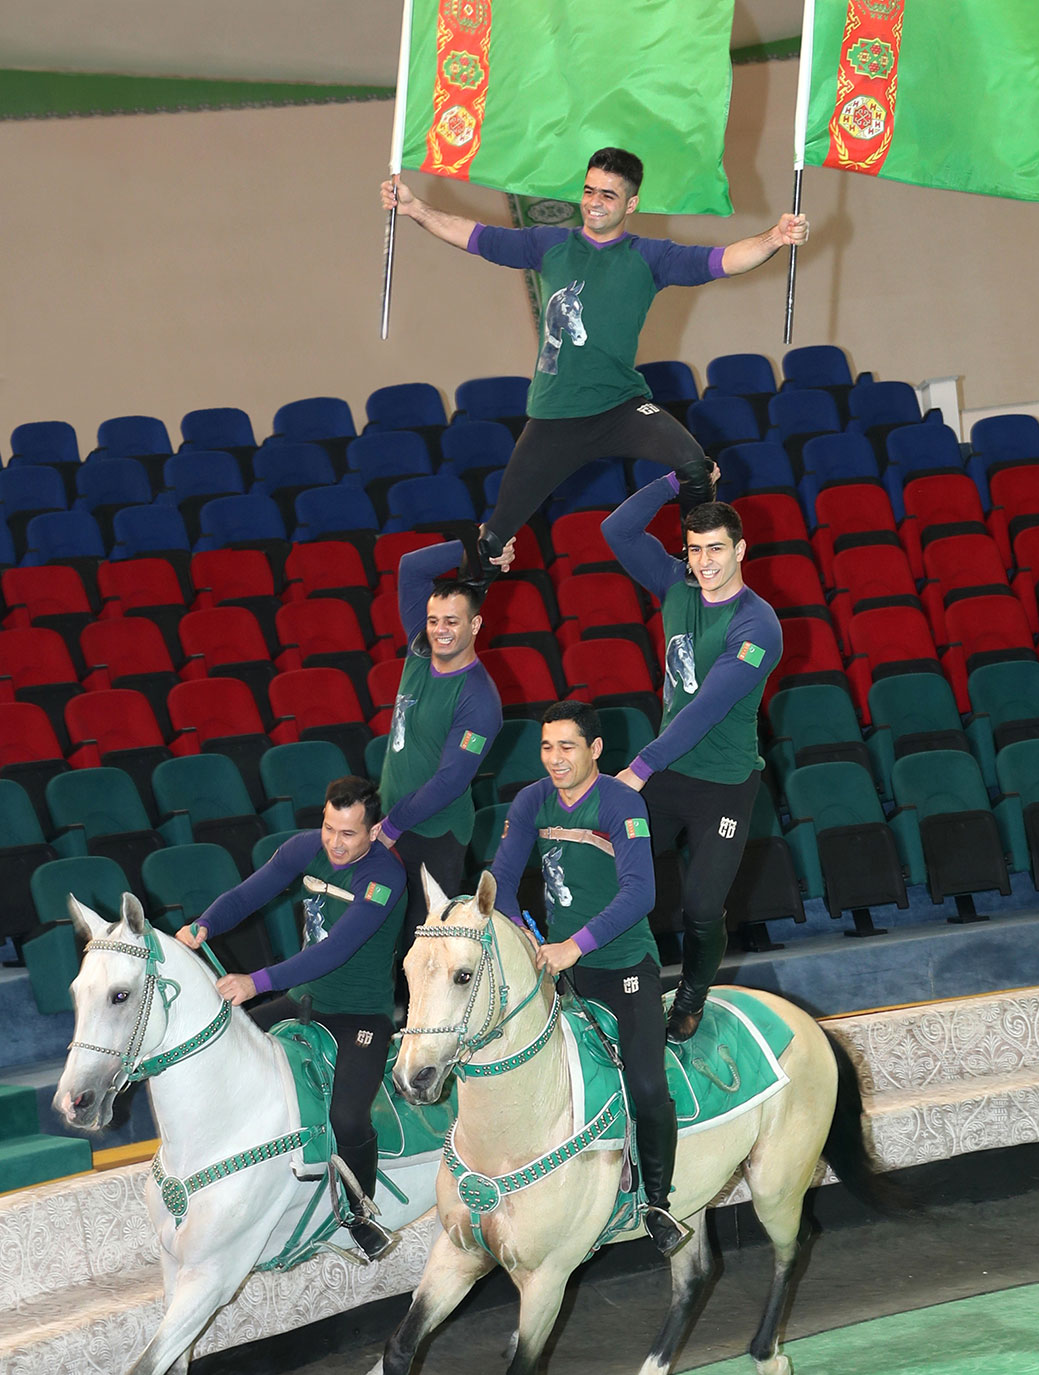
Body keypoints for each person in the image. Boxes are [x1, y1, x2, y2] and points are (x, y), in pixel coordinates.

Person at [381, 146, 809, 580]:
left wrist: (774, 237)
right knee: (491, 543)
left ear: (631, 204)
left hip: (621, 408)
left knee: (696, 467)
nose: (594, 202)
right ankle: (456, 621)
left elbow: (724, 261)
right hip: (554, 418)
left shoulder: (650, 257)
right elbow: (475, 236)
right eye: (589, 191)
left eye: (608, 194)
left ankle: (694, 568)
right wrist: (415, 209)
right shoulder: (548, 245)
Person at [176, 776, 407, 1260]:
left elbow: (336, 950)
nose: (335, 843)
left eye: (348, 834)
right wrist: (204, 924)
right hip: (305, 999)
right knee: (219, 1050)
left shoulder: (384, 877)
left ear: (372, 832)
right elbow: (246, 895)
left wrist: (254, 982)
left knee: (347, 1116)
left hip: (360, 1016)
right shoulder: (306, 848)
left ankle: (359, 1213)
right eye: (328, 828)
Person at [490, 699, 690, 1257]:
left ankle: (658, 1203)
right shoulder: (532, 800)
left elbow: (640, 893)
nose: (554, 759)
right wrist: (522, 932)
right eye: (547, 747)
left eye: (567, 747)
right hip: (557, 966)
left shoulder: (620, 802)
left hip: (623, 966)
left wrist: (573, 947)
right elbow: (501, 877)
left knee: (646, 1085)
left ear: (596, 750)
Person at [601, 474, 783, 1041]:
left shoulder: (758, 626)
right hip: (669, 773)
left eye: (717, 550)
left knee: (702, 909)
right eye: (695, 549)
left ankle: (692, 996)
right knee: (607, 870)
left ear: (740, 550)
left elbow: (704, 709)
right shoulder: (676, 586)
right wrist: (676, 483)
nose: (704, 562)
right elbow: (617, 528)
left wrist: (637, 769)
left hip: (723, 786)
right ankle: (611, 989)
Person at [376, 539, 506, 1002]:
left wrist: (391, 826)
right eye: (433, 620)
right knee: (385, 943)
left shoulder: (479, 699)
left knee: (427, 950)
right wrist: (476, 544)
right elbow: (411, 567)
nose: (440, 630)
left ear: (475, 624)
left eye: (452, 621)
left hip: (435, 835)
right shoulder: (418, 651)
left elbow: (450, 782)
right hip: (393, 823)